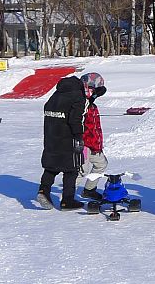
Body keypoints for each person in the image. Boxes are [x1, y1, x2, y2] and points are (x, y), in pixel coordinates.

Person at [37, 75, 88, 210]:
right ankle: (67, 200)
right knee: (71, 170)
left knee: (51, 167)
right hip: (67, 138)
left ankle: (43, 191)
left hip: (51, 136)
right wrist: (79, 135)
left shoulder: (55, 95)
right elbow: (75, 119)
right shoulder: (77, 96)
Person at [77, 72, 108, 202]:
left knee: (101, 164)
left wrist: (98, 144)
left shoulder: (92, 104)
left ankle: (89, 190)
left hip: (94, 143)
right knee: (82, 171)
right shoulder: (81, 102)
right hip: (83, 143)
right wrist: (93, 96)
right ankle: (68, 195)